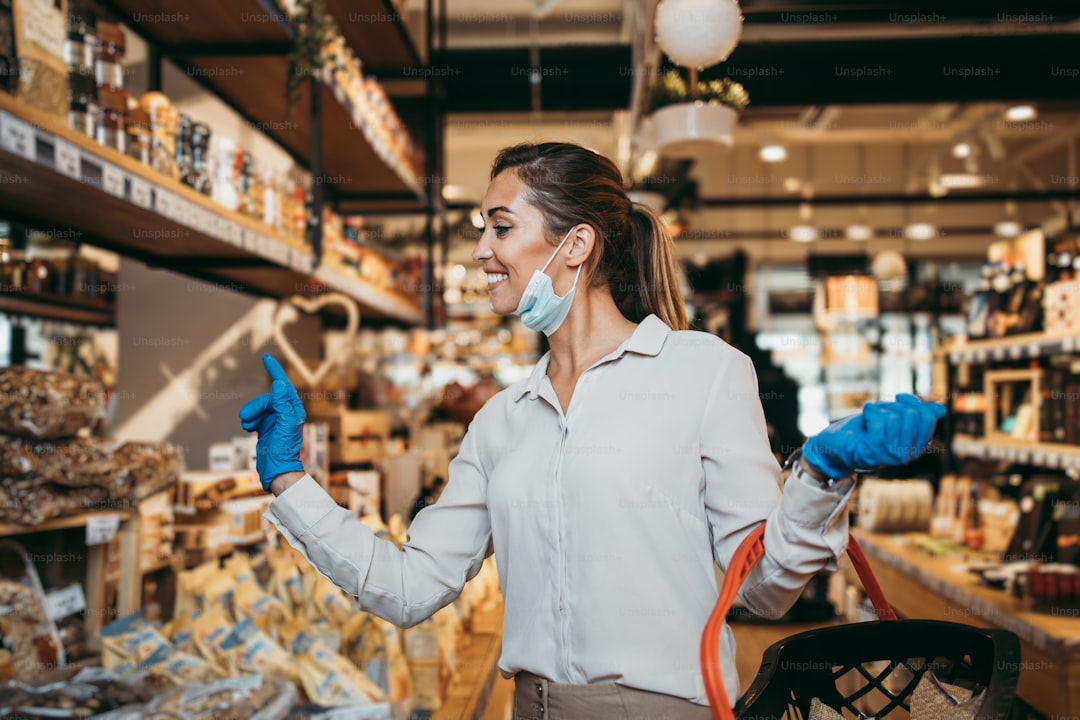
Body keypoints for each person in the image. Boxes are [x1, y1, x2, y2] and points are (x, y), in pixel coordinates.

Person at [240, 142, 945, 719]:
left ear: (575, 244)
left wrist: (819, 477)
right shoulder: (500, 420)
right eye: (480, 229)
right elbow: (408, 587)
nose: (480, 250)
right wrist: (289, 480)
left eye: (500, 226)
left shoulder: (703, 373)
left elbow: (762, 590)